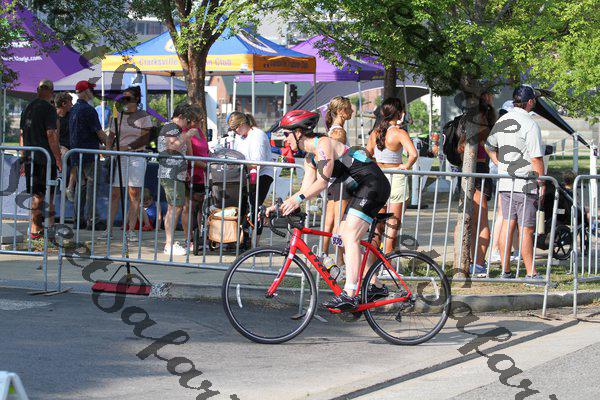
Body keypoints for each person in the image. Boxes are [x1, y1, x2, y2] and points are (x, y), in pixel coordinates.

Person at [269, 110, 391, 310]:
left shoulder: (323, 144)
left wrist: (298, 199)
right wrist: (280, 206)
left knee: (350, 236)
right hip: (360, 189)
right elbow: (305, 190)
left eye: (286, 134)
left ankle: (350, 293)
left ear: (298, 132)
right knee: (343, 237)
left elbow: (322, 182)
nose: (285, 139)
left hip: (373, 184)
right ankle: (374, 284)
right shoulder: (310, 158)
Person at [486, 85, 545, 283]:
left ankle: (506, 270)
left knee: (508, 224)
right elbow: (536, 158)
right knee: (526, 228)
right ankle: (531, 272)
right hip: (525, 183)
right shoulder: (530, 124)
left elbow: (489, 145)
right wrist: (542, 183)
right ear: (530, 102)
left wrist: (498, 163)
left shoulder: (503, 120)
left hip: (505, 182)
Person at [100, 86, 153, 241]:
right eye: (123, 98)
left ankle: (131, 230)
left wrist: (128, 147)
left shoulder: (144, 116)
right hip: (120, 157)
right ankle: (108, 230)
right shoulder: (118, 115)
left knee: (134, 193)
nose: (125, 101)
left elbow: (145, 138)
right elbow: (111, 136)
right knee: (115, 193)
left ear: (136, 99)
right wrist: (108, 150)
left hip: (137, 156)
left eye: (128, 97)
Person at [366, 97, 418, 254]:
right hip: (395, 177)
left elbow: (367, 154)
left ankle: (372, 261)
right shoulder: (399, 133)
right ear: (399, 113)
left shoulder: (375, 133)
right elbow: (413, 154)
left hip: (379, 178)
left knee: (377, 224)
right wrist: (406, 166)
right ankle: (387, 261)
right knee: (392, 224)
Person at [19, 79, 62, 239]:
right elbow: (51, 134)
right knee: (43, 194)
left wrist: (23, 157)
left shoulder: (28, 108)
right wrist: (58, 158)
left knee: (39, 194)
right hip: (44, 158)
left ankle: (42, 227)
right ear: (51, 92)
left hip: (31, 156)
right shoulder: (49, 109)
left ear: (38, 90)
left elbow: (22, 134)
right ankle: (37, 229)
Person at [462, 92, 497, 276]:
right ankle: (476, 263)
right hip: (476, 171)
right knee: (478, 221)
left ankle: (475, 262)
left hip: (473, 171)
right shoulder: (484, 123)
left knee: (474, 221)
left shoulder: (474, 123)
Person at [158, 103, 198, 256]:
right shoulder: (172, 128)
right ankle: (169, 244)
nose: (188, 125)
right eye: (188, 121)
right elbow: (172, 146)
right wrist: (187, 135)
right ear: (181, 116)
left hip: (175, 173)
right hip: (171, 173)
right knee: (175, 207)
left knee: (174, 207)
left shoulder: (174, 129)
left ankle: (169, 242)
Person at [228, 111, 274, 246]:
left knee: (255, 207)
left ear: (243, 124)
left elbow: (258, 162)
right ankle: (242, 238)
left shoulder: (258, 135)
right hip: (246, 175)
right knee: (242, 206)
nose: (235, 132)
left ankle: (255, 241)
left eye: (235, 128)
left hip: (263, 174)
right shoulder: (240, 137)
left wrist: (239, 164)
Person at [69, 80, 107, 229]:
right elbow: (99, 133)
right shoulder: (89, 110)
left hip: (77, 154)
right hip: (89, 154)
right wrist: (110, 144)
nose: (92, 93)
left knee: (81, 187)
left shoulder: (73, 109)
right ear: (85, 92)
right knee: (92, 186)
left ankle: (78, 220)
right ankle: (93, 220)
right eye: (91, 90)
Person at [322, 96, 353, 261]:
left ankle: (323, 256)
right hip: (340, 180)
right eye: (349, 108)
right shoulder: (338, 132)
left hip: (333, 181)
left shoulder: (334, 130)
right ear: (341, 111)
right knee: (338, 224)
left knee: (329, 223)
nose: (352, 111)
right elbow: (334, 152)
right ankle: (339, 260)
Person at [185, 106, 210, 249]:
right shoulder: (187, 133)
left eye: (201, 119)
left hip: (204, 175)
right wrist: (206, 166)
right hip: (194, 173)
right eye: (197, 120)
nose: (200, 122)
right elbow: (190, 157)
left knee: (202, 207)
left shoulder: (200, 131)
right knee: (192, 207)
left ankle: (201, 237)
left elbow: (205, 150)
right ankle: (191, 239)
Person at [54, 92, 77, 203]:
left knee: (75, 158)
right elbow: (53, 136)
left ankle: (70, 188)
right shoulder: (53, 117)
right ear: (63, 104)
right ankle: (57, 184)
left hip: (71, 147)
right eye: (70, 103)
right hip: (58, 147)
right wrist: (59, 147)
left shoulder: (72, 115)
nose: (72, 105)